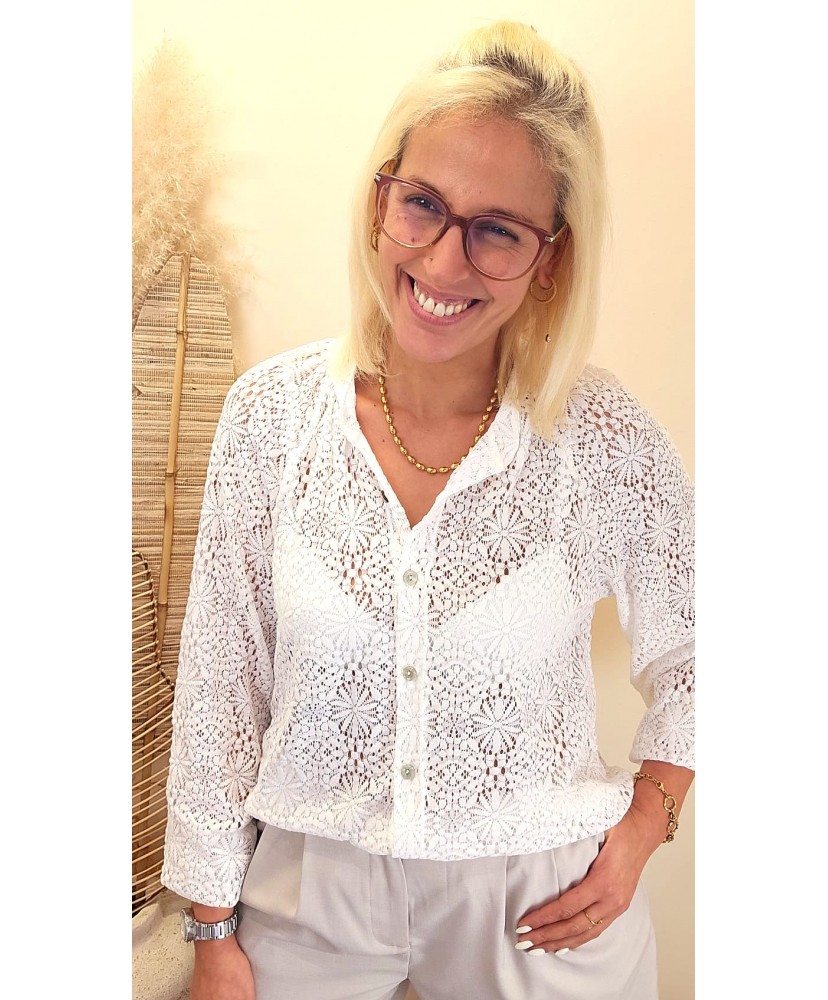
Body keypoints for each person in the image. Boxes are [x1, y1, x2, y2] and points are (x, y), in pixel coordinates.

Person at [161, 20, 694, 1000]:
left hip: (540, 900)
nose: (445, 262)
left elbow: (708, 650)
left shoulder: (601, 439)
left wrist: (641, 830)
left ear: (550, 259)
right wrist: (210, 927)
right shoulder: (271, 418)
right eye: (424, 206)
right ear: (381, 204)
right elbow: (220, 689)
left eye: (498, 230)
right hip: (308, 887)